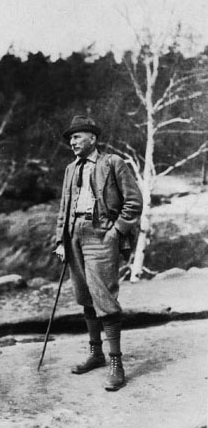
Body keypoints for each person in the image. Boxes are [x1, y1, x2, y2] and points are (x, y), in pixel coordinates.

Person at [55, 115, 143, 391]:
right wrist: (60, 241)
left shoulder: (112, 163)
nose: (72, 142)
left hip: (101, 235)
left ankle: (117, 363)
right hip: (74, 237)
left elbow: (134, 201)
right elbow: (64, 207)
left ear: (92, 138)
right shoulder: (71, 169)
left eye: (77, 137)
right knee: (85, 296)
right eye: (70, 138)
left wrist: (116, 232)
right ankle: (96, 354)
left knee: (104, 296)